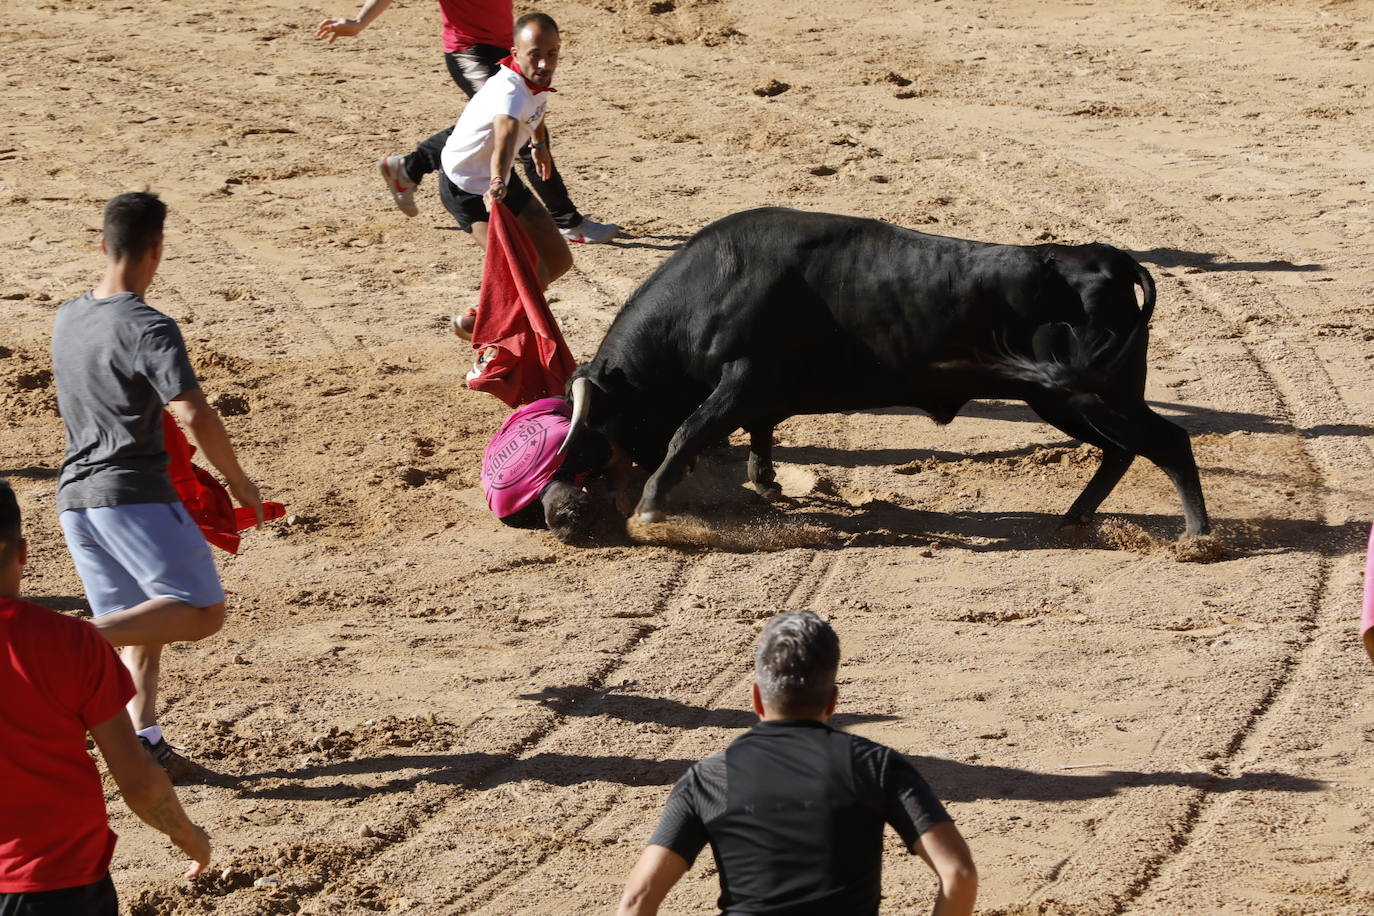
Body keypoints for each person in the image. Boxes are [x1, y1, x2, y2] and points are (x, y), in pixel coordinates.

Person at [50, 191, 266, 781]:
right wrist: (239, 483)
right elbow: (193, 412)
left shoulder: (67, 316)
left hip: (77, 502)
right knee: (201, 612)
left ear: (103, 245)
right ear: (157, 251)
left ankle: (144, 741)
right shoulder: (149, 325)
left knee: (142, 626)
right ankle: (59, 636)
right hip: (134, 497)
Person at [618, 611, 978, 916]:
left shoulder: (710, 778)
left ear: (757, 698)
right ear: (833, 701)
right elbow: (959, 875)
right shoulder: (875, 766)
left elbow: (638, 899)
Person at [0, 480, 211, 915]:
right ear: (22, 552)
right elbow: (135, 776)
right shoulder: (72, 642)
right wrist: (186, 835)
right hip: (54, 877)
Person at [316, 0, 620, 244]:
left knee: (493, 124)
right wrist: (358, 23)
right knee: (513, 126)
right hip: (469, 51)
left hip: (510, 47)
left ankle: (409, 167)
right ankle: (567, 221)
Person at [482, 394, 635, 543]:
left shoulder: (579, 445)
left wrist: (618, 488)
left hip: (549, 409)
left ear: (583, 490)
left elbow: (621, 456)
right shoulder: (511, 515)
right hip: (512, 433)